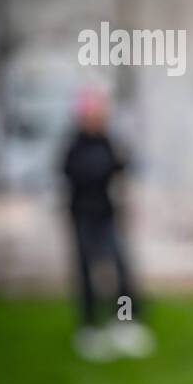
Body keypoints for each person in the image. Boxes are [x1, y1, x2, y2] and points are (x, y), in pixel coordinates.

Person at [62, 84, 154, 361]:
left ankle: (125, 321)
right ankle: (89, 328)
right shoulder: (74, 147)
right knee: (87, 273)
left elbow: (120, 166)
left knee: (121, 270)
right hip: (82, 216)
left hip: (107, 214)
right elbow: (80, 173)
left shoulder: (108, 142)